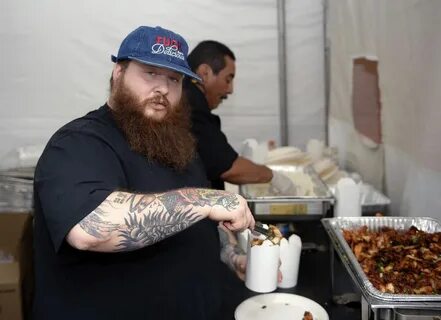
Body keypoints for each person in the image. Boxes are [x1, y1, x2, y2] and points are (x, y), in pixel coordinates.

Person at [32, 26, 255, 320]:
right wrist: (204, 200)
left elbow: (199, 227)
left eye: (174, 79)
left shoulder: (179, 144)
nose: (163, 88)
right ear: (118, 73)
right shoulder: (78, 142)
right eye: (150, 73)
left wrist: (229, 257)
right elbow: (89, 229)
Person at [184, 40, 297, 194]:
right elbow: (229, 168)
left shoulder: (187, 97)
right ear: (205, 73)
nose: (230, 90)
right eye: (228, 79)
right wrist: (274, 177)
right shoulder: (190, 106)